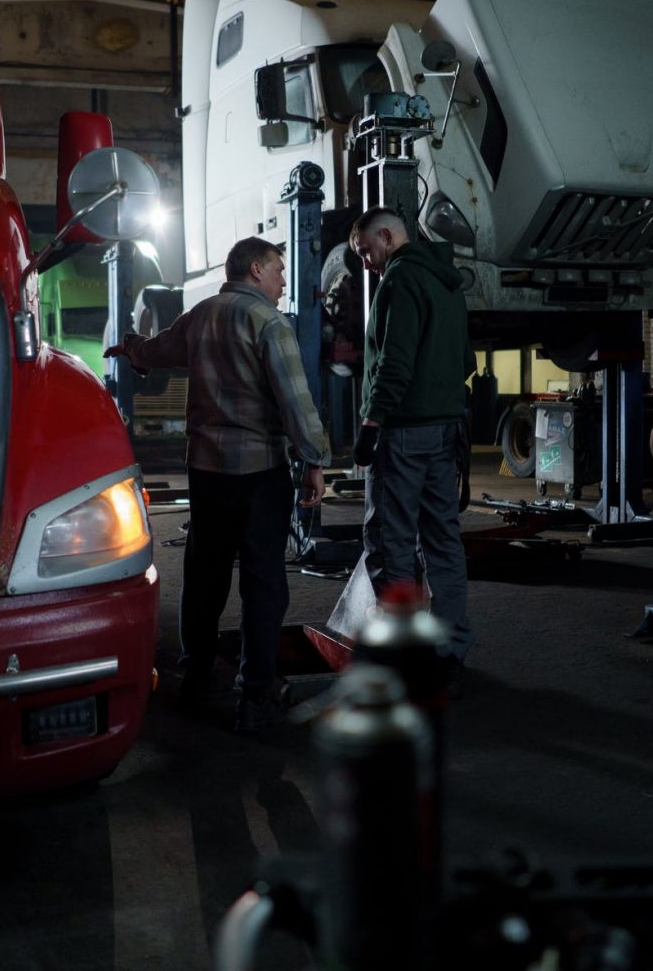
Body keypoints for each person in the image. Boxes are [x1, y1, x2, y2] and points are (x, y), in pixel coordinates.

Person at [105, 236, 330, 732]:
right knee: (263, 581)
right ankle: (255, 696)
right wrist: (315, 460)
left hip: (207, 472)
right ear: (255, 269)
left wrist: (131, 347)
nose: (283, 280)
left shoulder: (201, 315)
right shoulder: (270, 323)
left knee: (205, 575)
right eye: (278, 270)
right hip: (258, 474)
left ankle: (196, 677)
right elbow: (295, 401)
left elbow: (157, 350)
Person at [349, 205, 475, 681]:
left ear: (386, 236)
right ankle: (448, 650)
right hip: (446, 431)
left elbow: (394, 363)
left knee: (391, 542)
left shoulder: (399, 283)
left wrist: (371, 424)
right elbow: (464, 358)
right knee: (443, 541)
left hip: (402, 433)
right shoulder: (447, 282)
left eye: (365, 251)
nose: (365, 262)